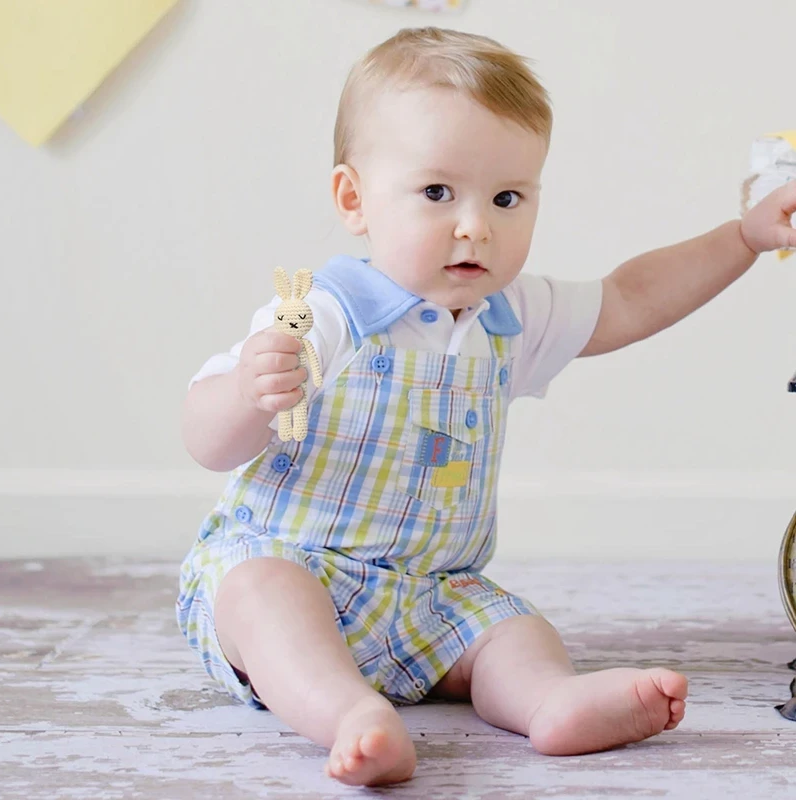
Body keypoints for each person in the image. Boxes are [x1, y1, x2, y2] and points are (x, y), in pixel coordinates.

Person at [176, 27, 796, 787]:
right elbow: (206, 440)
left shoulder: (510, 315)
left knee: (510, 630)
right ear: (354, 198)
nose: (477, 225)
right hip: (298, 566)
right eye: (438, 193)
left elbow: (633, 298)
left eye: (507, 197)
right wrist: (247, 394)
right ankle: (346, 713)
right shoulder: (325, 314)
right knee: (262, 597)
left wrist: (742, 236)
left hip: (432, 594)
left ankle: (548, 701)